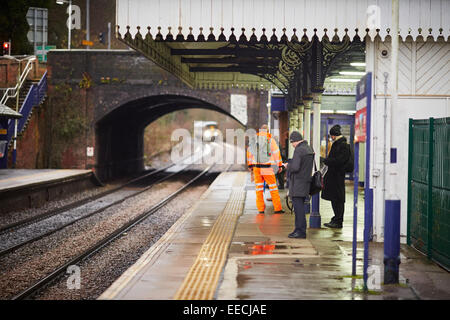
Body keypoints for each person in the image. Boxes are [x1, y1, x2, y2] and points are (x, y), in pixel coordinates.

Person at [247, 124, 284, 214]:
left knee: (259, 189)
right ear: (267, 131)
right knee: (273, 188)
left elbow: (249, 154)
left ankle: (260, 209)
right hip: (267, 168)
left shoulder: (253, 141)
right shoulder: (271, 141)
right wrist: (280, 165)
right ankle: (277, 208)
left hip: (256, 168)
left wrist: (250, 166)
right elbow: (276, 154)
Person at [283, 131, 314, 238]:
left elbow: (295, 167)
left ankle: (300, 231)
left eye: (292, 143)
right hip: (305, 182)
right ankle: (299, 229)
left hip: (297, 183)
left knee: (298, 209)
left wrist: (288, 166)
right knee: (299, 208)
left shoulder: (299, 150)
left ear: (295, 141)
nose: (292, 145)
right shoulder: (308, 148)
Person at [321, 124, 351, 228]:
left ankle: (338, 220)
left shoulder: (341, 145)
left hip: (336, 176)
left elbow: (339, 160)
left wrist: (327, 160)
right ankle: (336, 219)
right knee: (336, 198)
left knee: (337, 199)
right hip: (336, 176)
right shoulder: (342, 144)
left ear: (333, 135)